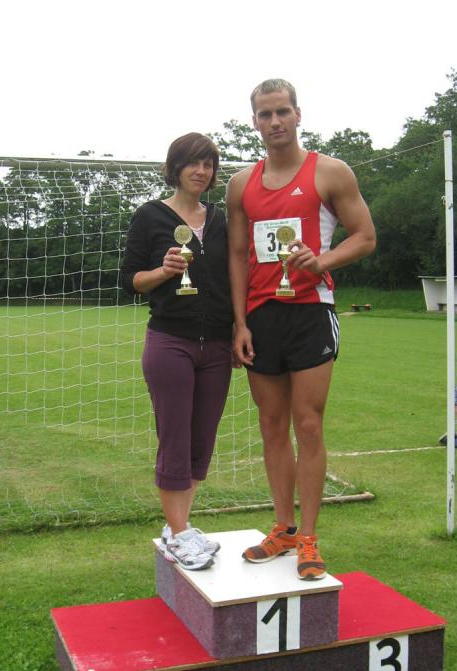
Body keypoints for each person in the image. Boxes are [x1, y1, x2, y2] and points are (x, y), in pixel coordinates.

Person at [227, 79, 376, 580]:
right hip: (261, 317)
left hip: (311, 310)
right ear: (254, 121)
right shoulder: (240, 184)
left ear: (298, 114)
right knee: (271, 426)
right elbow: (237, 255)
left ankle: (309, 538)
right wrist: (239, 323)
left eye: (282, 111)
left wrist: (321, 261)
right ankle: (284, 528)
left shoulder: (330, 172)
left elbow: (365, 236)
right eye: (265, 114)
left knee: (307, 424)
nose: (275, 121)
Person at [121, 133, 233, 570]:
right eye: (192, 163)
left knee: (201, 441)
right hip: (170, 342)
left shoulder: (221, 219)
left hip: (218, 345)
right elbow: (130, 280)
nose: (201, 171)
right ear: (175, 168)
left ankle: (178, 527)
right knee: (175, 439)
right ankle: (181, 533)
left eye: (208, 164)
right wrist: (163, 271)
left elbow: (233, 276)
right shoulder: (150, 216)